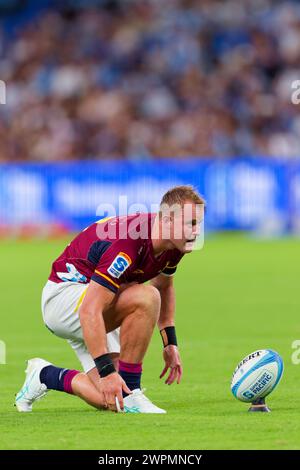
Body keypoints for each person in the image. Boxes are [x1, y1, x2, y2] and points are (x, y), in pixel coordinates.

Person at [15, 185, 205, 413]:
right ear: (166, 221)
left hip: (99, 301)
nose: (196, 232)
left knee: (114, 401)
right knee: (145, 297)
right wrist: (106, 373)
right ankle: (133, 392)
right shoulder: (127, 245)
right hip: (64, 300)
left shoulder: (173, 244)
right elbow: (89, 310)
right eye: (190, 224)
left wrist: (170, 342)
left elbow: (164, 285)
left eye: (198, 224)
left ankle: (44, 375)